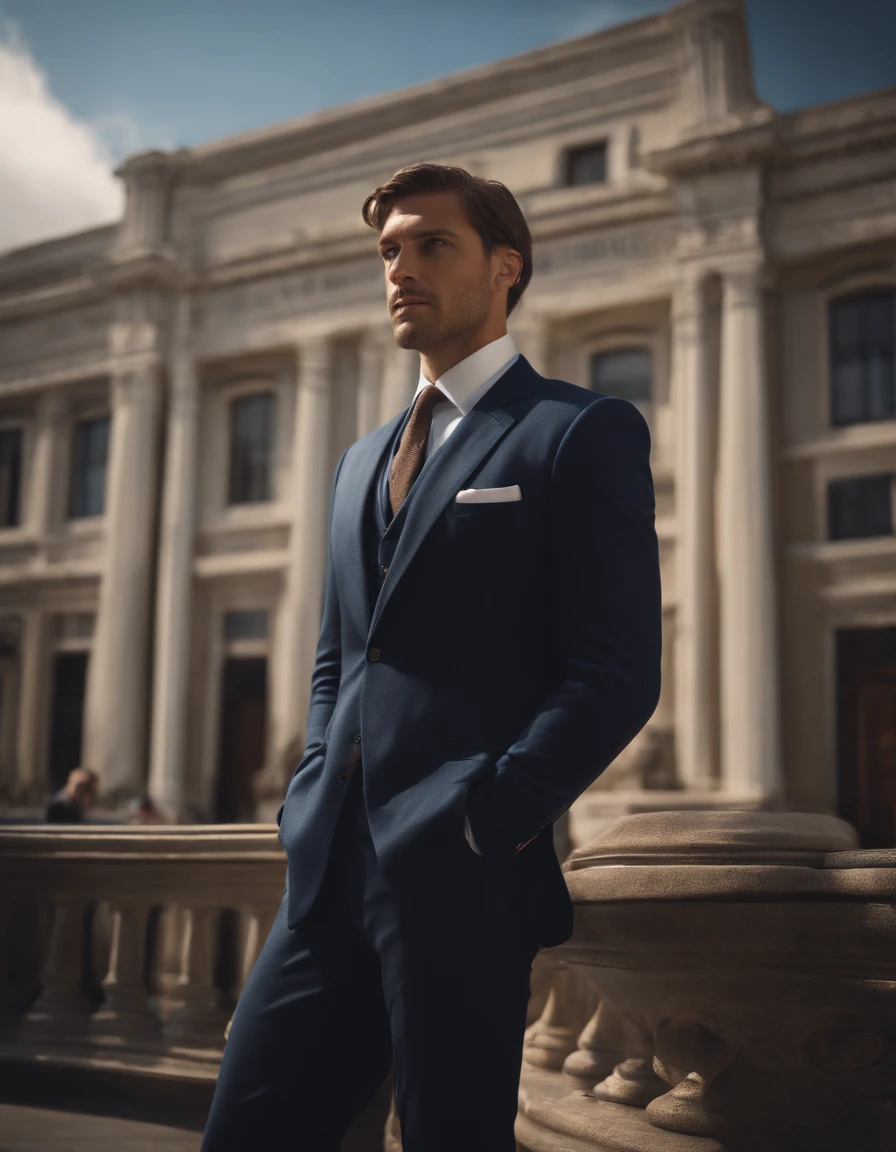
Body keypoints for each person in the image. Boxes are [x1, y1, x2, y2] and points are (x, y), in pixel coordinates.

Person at [201, 163, 662, 1152]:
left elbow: (616, 671)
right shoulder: (358, 461)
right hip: (323, 876)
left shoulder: (577, 432)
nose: (399, 269)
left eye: (430, 245)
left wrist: (483, 817)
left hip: (462, 880)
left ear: (506, 267)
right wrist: (309, 786)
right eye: (387, 251)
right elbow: (338, 656)